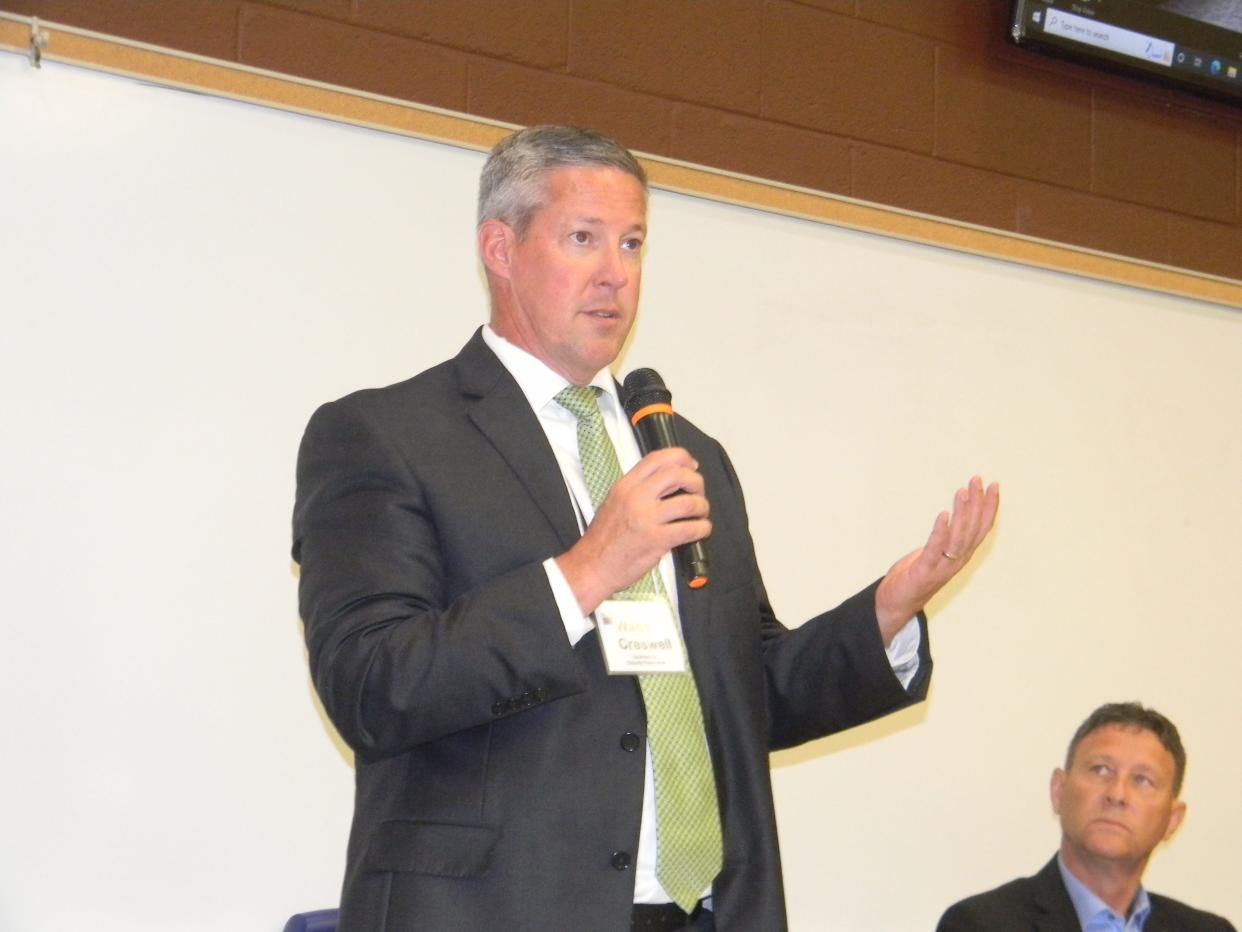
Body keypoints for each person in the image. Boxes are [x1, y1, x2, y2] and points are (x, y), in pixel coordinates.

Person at [292, 124, 999, 932]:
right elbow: (373, 685)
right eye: (583, 239)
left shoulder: (685, 450)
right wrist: (589, 569)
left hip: (695, 913)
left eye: (632, 245)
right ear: (500, 247)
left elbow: (746, 690)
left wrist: (886, 615)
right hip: (499, 909)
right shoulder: (387, 435)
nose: (614, 275)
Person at [937, 702, 1236, 932]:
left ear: (1173, 819)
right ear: (1059, 791)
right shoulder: (981, 925)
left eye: (1142, 779)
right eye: (1101, 770)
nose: (1117, 794)